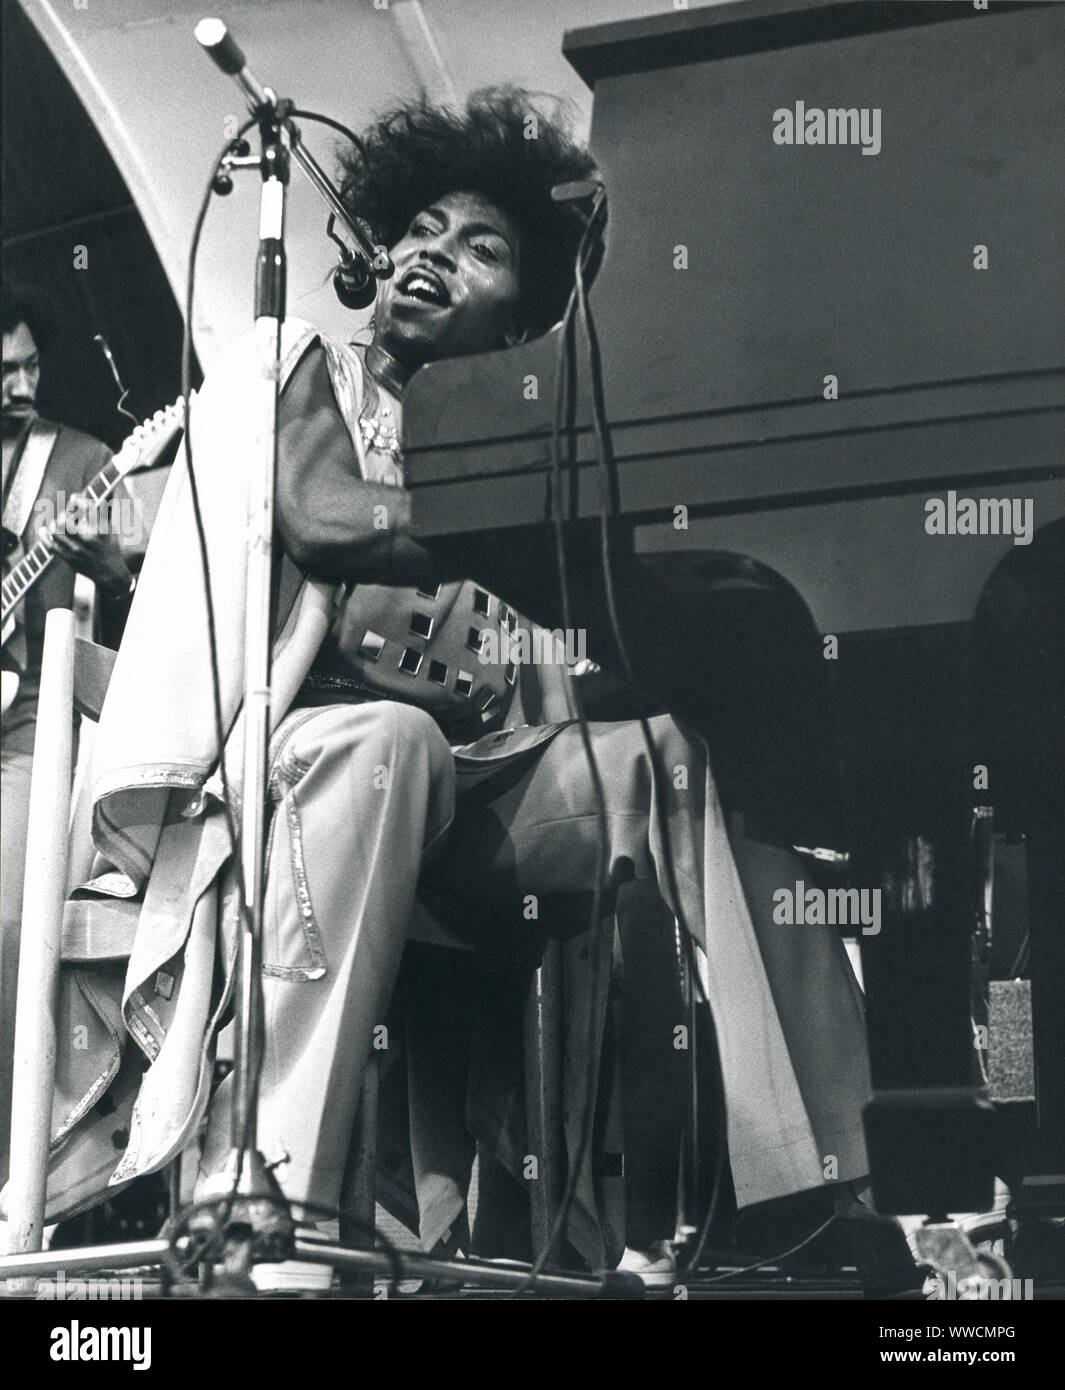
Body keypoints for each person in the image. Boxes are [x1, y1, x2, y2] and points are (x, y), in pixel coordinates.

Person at [7, 91, 876, 1287]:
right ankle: (281, 1220)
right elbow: (324, 516)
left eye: (481, 246)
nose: (431, 255)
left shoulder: (538, 428)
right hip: (309, 759)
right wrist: (515, 525)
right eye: (419, 230)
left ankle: (817, 1184)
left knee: (675, 752)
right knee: (391, 737)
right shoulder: (301, 361)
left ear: (527, 306)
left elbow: (585, 649)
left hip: (478, 797)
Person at [0, 282, 136, 1187]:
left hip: (30, 729)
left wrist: (113, 567)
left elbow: (138, 590)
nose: (21, 383)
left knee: (12, 933)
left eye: (31, 365)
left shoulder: (83, 460)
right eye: (2, 369)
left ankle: (24, 1177)